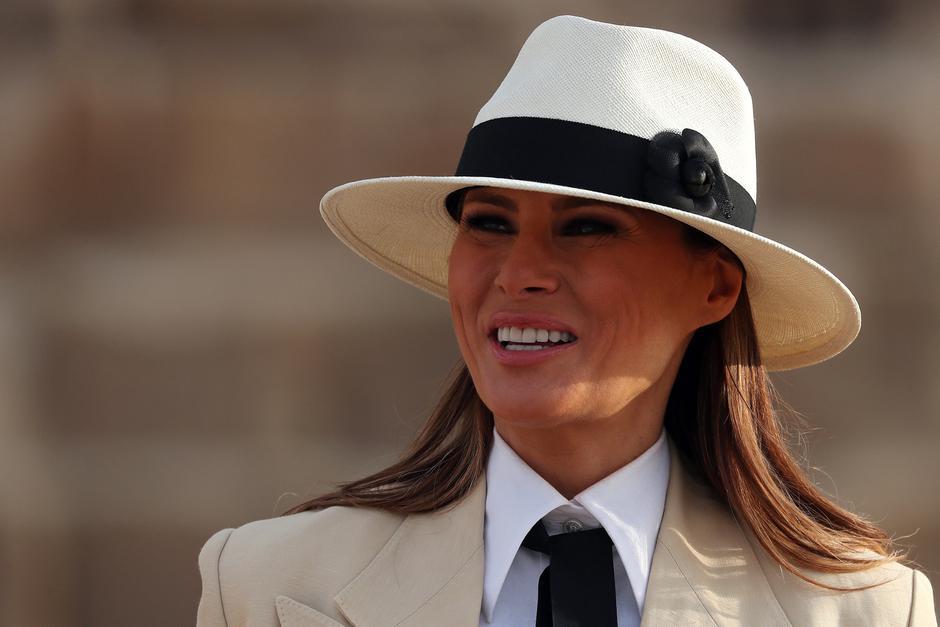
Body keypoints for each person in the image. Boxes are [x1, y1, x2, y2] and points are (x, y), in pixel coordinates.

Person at [196, 15, 937, 627]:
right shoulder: (265, 588)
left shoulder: (866, 612)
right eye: (489, 222)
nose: (519, 272)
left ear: (713, 286)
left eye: (586, 227)